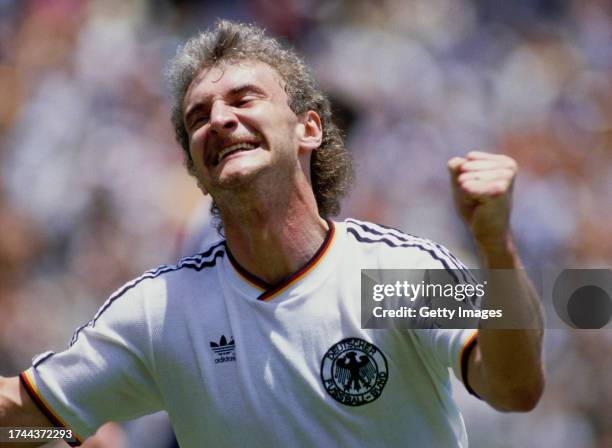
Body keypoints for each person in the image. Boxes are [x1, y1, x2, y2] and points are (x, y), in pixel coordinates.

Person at [0, 20, 544, 447]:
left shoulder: (394, 274)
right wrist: (66, 436)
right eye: (197, 117)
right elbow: (24, 423)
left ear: (309, 128)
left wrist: (497, 248)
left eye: (242, 99)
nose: (218, 119)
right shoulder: (161, 310)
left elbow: (515, 388)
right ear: (196, 167)